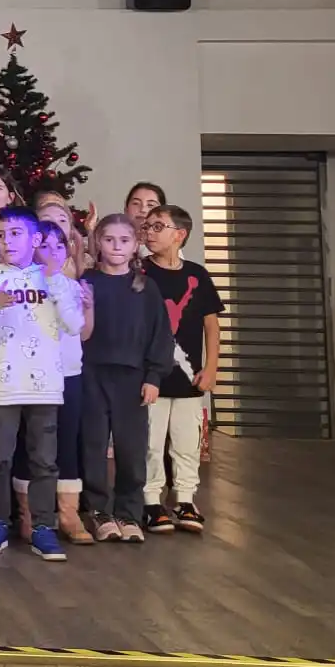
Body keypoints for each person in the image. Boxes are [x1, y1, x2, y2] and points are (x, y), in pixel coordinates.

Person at [0, 205, 85, 562]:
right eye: (1, 235)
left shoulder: (54, 279)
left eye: (15, 234)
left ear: (35, 240)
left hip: (45, 386)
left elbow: (74, 326)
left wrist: (55, 282)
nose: (6, 242)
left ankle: (43, 527)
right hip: (2, 386)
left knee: (44, 461)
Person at [82, 214, 175, 543]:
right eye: (109, 240)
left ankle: (129, 513)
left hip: (132, 379)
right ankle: (98, 511)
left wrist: (154, 376)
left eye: (124, 240)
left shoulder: (145, 288)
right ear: (98, 242)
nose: (116, 247)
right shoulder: (86, 282)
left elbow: (160, 335)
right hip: (91, 375)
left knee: (131, 449)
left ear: (136, 245)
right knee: (92, 446)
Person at [141, 204, 222, 534]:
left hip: (189, 378)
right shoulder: (140, 271)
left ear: (180, 234)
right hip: (152, 377)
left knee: (187, 441)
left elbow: (211, 325)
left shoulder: (197, 275)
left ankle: (185, 498)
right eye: (147, 226)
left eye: (158, 226)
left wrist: (211, 366)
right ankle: (150, 500)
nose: (149, 232)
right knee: (150, 441)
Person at [35, 219, 94, 544]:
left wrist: (89, 307)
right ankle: (33, 514)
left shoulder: (73, 286)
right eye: (45, 245)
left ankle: (69, 514)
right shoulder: (25, 285)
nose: (54, 252)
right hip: (36, 376)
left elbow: (83, 333)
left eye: (60, 245)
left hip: (70, 374)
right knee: (35, 445)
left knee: (67, 442)